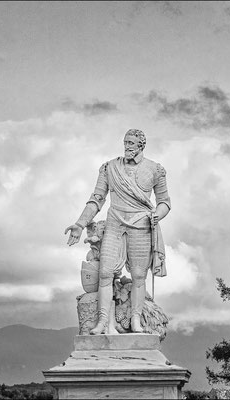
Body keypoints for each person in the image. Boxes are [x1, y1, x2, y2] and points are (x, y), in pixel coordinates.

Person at [64, 129, 170, 334]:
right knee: (105, 272)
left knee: (139, 276)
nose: (127, 146)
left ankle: (136, 320)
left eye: (132, 143)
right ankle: (103, 321)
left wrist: (158, 214)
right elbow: (97, 199)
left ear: (141, 146)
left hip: (141, 224)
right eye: (125, 142)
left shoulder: (155, 170)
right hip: (115, 223)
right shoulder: (110, 168)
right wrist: (80, 223)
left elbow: (165, 202)